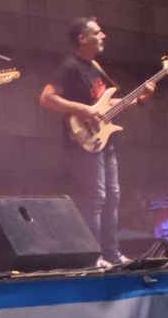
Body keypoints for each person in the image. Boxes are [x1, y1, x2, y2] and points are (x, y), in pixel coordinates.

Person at [38, 16, 138, 269]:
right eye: (98, 32)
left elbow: (105, 104)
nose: (103, 36)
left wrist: (138, 98)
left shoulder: (96, 68)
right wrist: (82, 109)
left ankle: (112, 254)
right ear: (82, 38)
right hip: (82, 140)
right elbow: (47, 98)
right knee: (95, 198)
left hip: (104, 140)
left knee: (112, 197)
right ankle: (93, 256)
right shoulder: (70, 66)